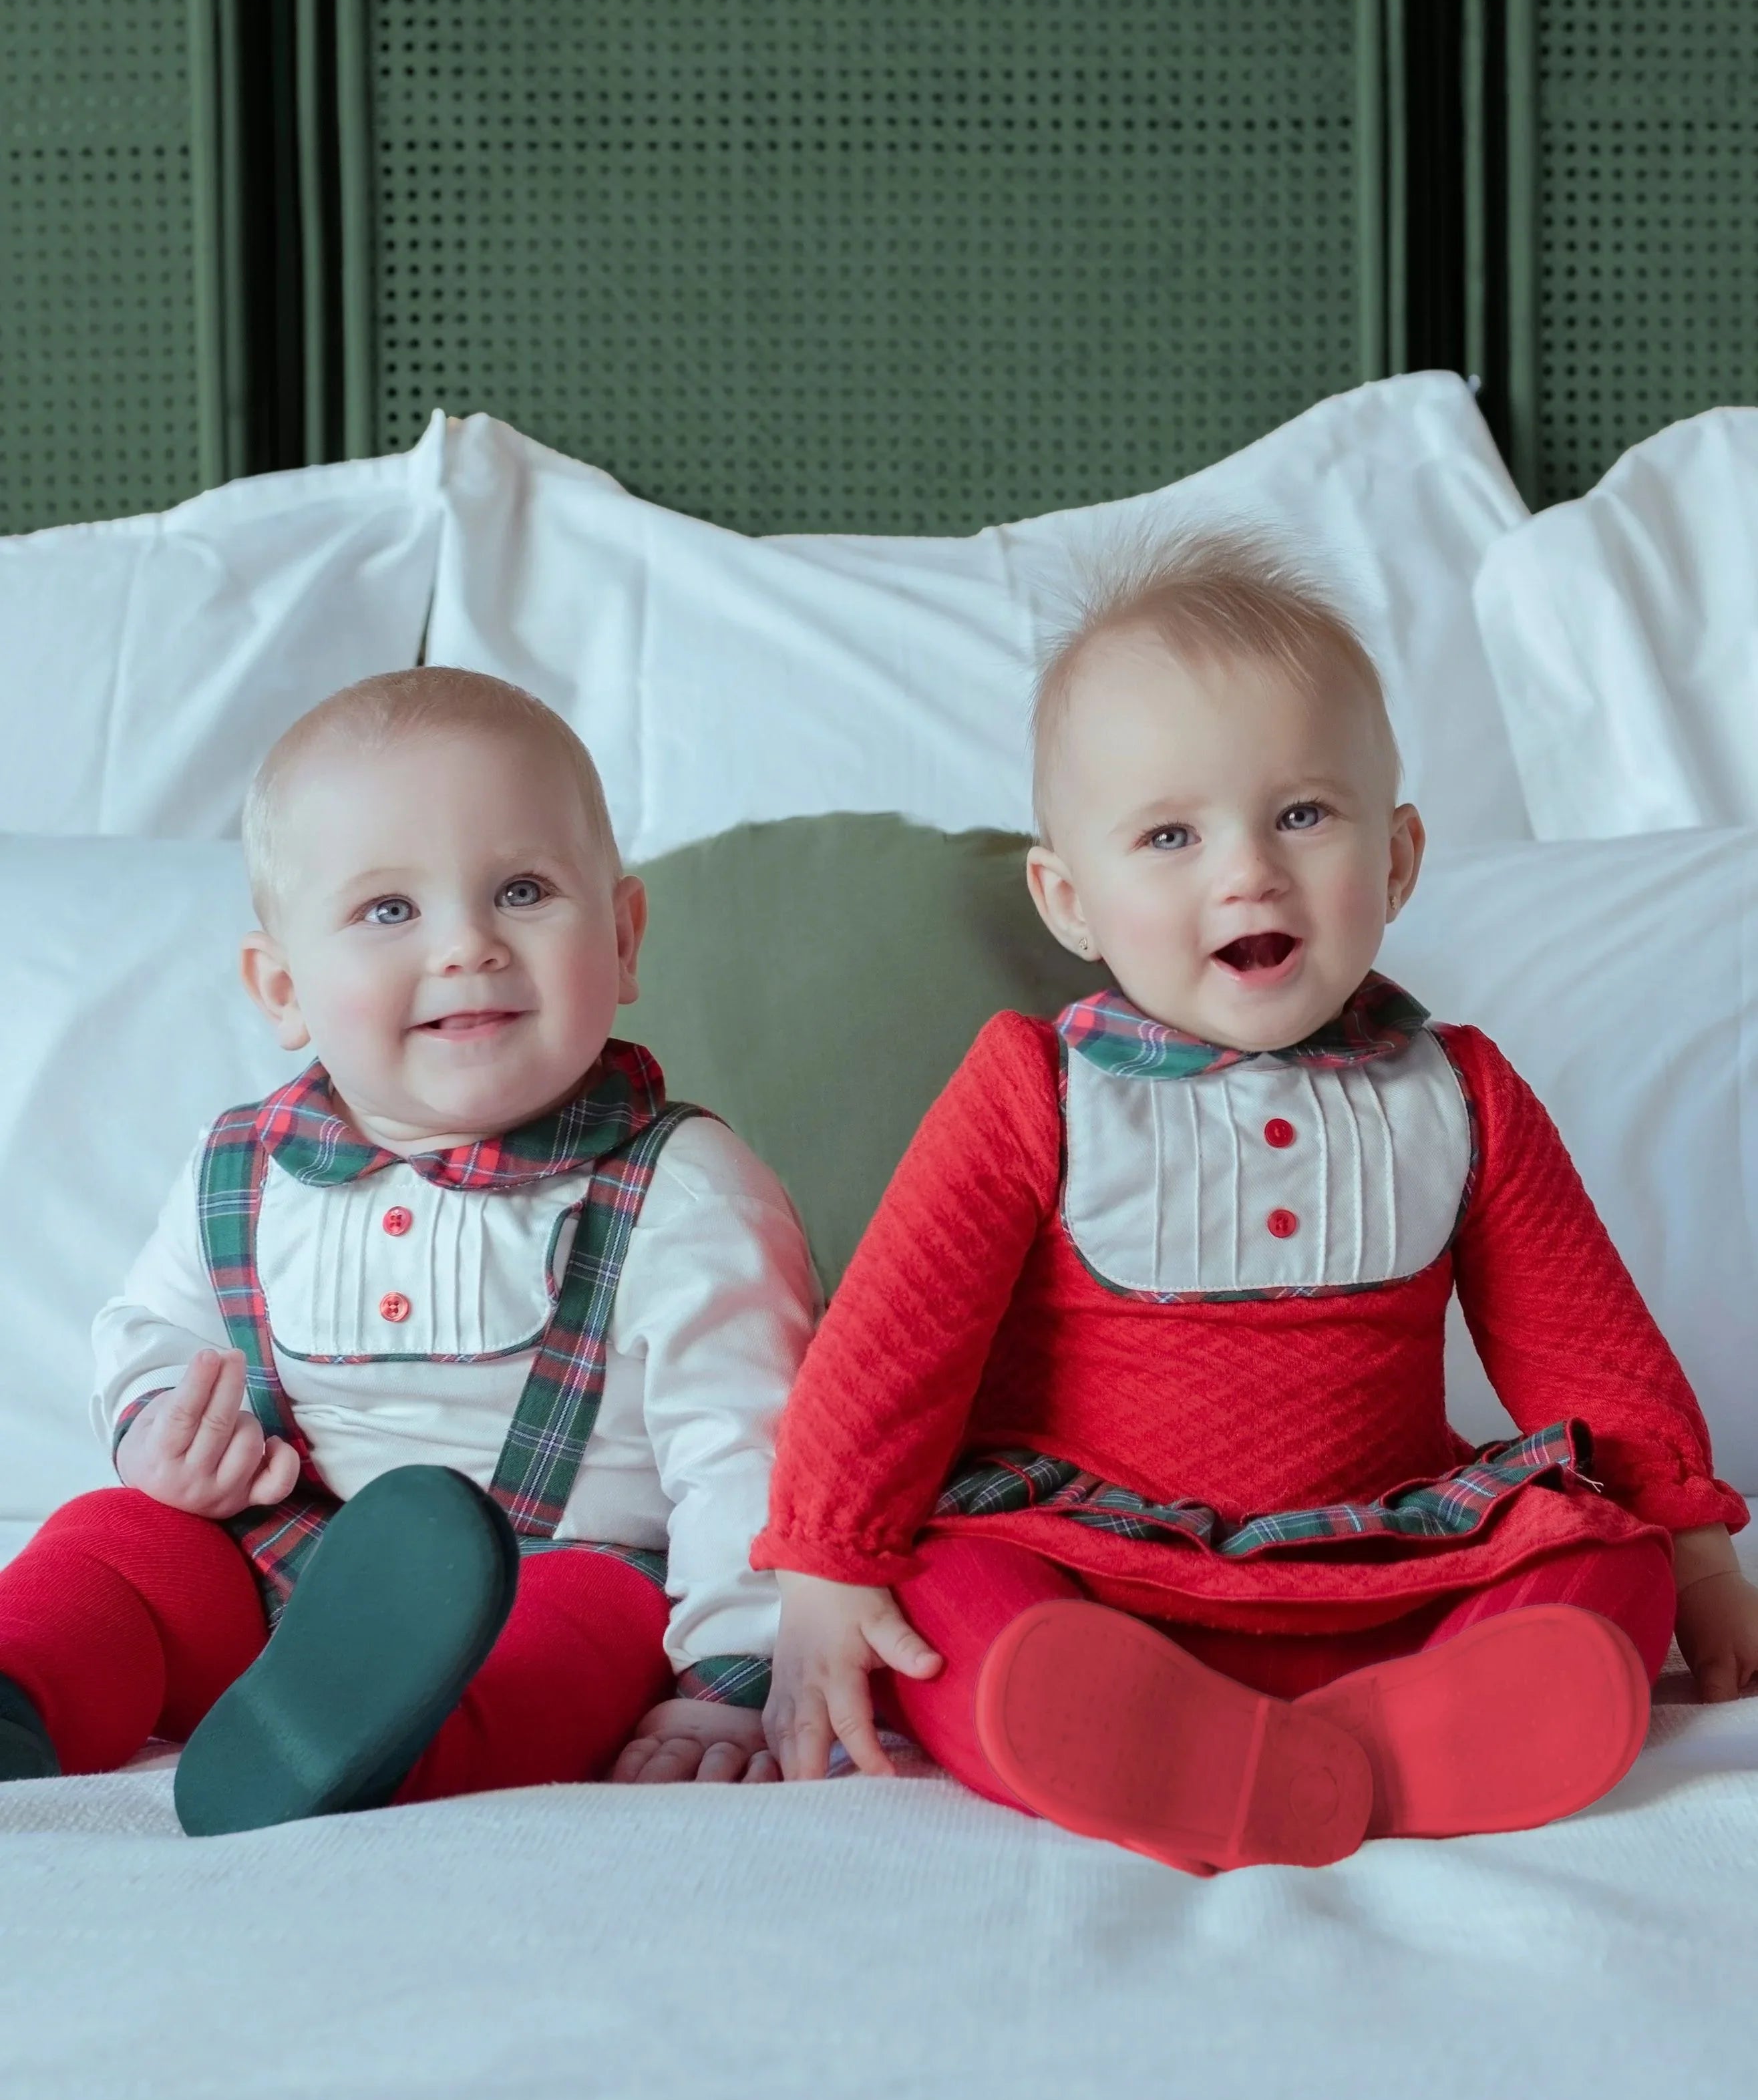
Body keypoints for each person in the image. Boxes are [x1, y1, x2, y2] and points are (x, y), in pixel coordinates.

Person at [755, 535, 1758, 1872]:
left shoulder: (1454, 1093)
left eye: (1299, 816)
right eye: (1169, 835)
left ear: (1395, 861)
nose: (1245, 874)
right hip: (1093, 1567)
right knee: (935, 1594)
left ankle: (1399, 1737)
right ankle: (1131, 1735)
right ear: (1068, 899)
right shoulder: (1033, 1092)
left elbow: (1582, 1344)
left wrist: (1693, 1557)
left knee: (1607, 1566)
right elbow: (894, 1338)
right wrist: (826, 1564)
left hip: (1382, 1568)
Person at [0, 669, 818, 1829]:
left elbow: (751, 1457)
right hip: (275, 1564)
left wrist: (732, 1682)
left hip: (551, 1573)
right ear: (283, 990)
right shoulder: (242, 1169)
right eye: (391, 911)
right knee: (113, 1540)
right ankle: (23, 1695)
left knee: (581, 1627)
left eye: (523, 890)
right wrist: (164, 1438)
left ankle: (375, 1760)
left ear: (625, 941)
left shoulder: (677, 1191)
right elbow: (151, 1332)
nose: (467, 946)